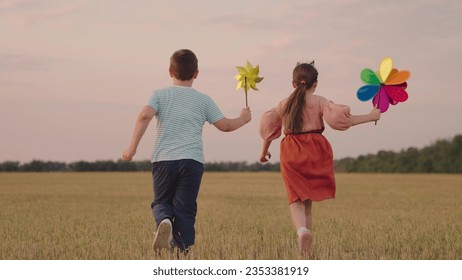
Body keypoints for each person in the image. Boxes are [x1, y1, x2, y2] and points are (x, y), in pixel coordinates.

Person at [122, 49, 251, 253]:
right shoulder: (204, 100)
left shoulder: (159, 94)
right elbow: (225, 125)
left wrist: (132, 147)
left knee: (162, 202)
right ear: (196, 73)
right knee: (185, 209)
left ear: (170, 71)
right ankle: (183, 251)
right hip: (192, 161)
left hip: (164, 160)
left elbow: (144, 116)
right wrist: (243, 119)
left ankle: (164, 220)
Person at [259, 61, 380, 257]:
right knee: (308, 200)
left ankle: (302, 232)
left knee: (295, 198)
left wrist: (264, 152)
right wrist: (371, 116)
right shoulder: (320, 101)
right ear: (316, 84)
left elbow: (269, 130)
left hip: (291, 150)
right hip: (315, 150)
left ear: (293, 83)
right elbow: (345, 121)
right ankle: (307, 246)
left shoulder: (284, 103)